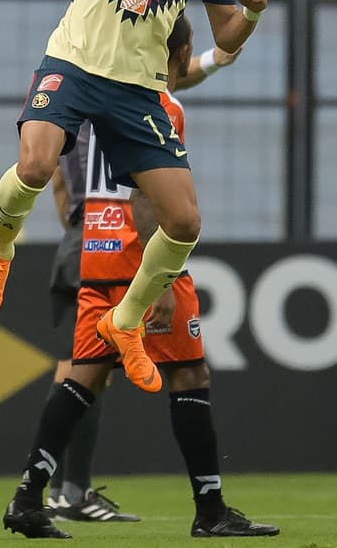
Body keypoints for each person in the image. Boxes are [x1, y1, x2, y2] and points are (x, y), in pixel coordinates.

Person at [0, 0, 268, 397]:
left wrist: (252, 11)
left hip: (139, 88)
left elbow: (226, 36)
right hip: (74, 66)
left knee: (184, 223)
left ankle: (125, 320)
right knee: (34, 165)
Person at [2, 15, 279, 540]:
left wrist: (217, 59)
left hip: (96, 249)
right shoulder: (161, 108)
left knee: (83, 375)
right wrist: (163, 277)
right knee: (189, 375)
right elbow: (145, 194)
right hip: (138, 254)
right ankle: (210, 508)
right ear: (179, 51)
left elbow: (68, 182)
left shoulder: (96, 99)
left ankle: (26, 497)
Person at [42, 35, 238, 523]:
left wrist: (75, 221)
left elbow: (57, 177)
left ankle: (56, 489)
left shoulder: (74, 93)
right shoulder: (138, 101)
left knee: (86, 368)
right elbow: (169, 83)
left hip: (85, 234)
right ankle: (67, 491)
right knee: (90, 370)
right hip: (128, 239)